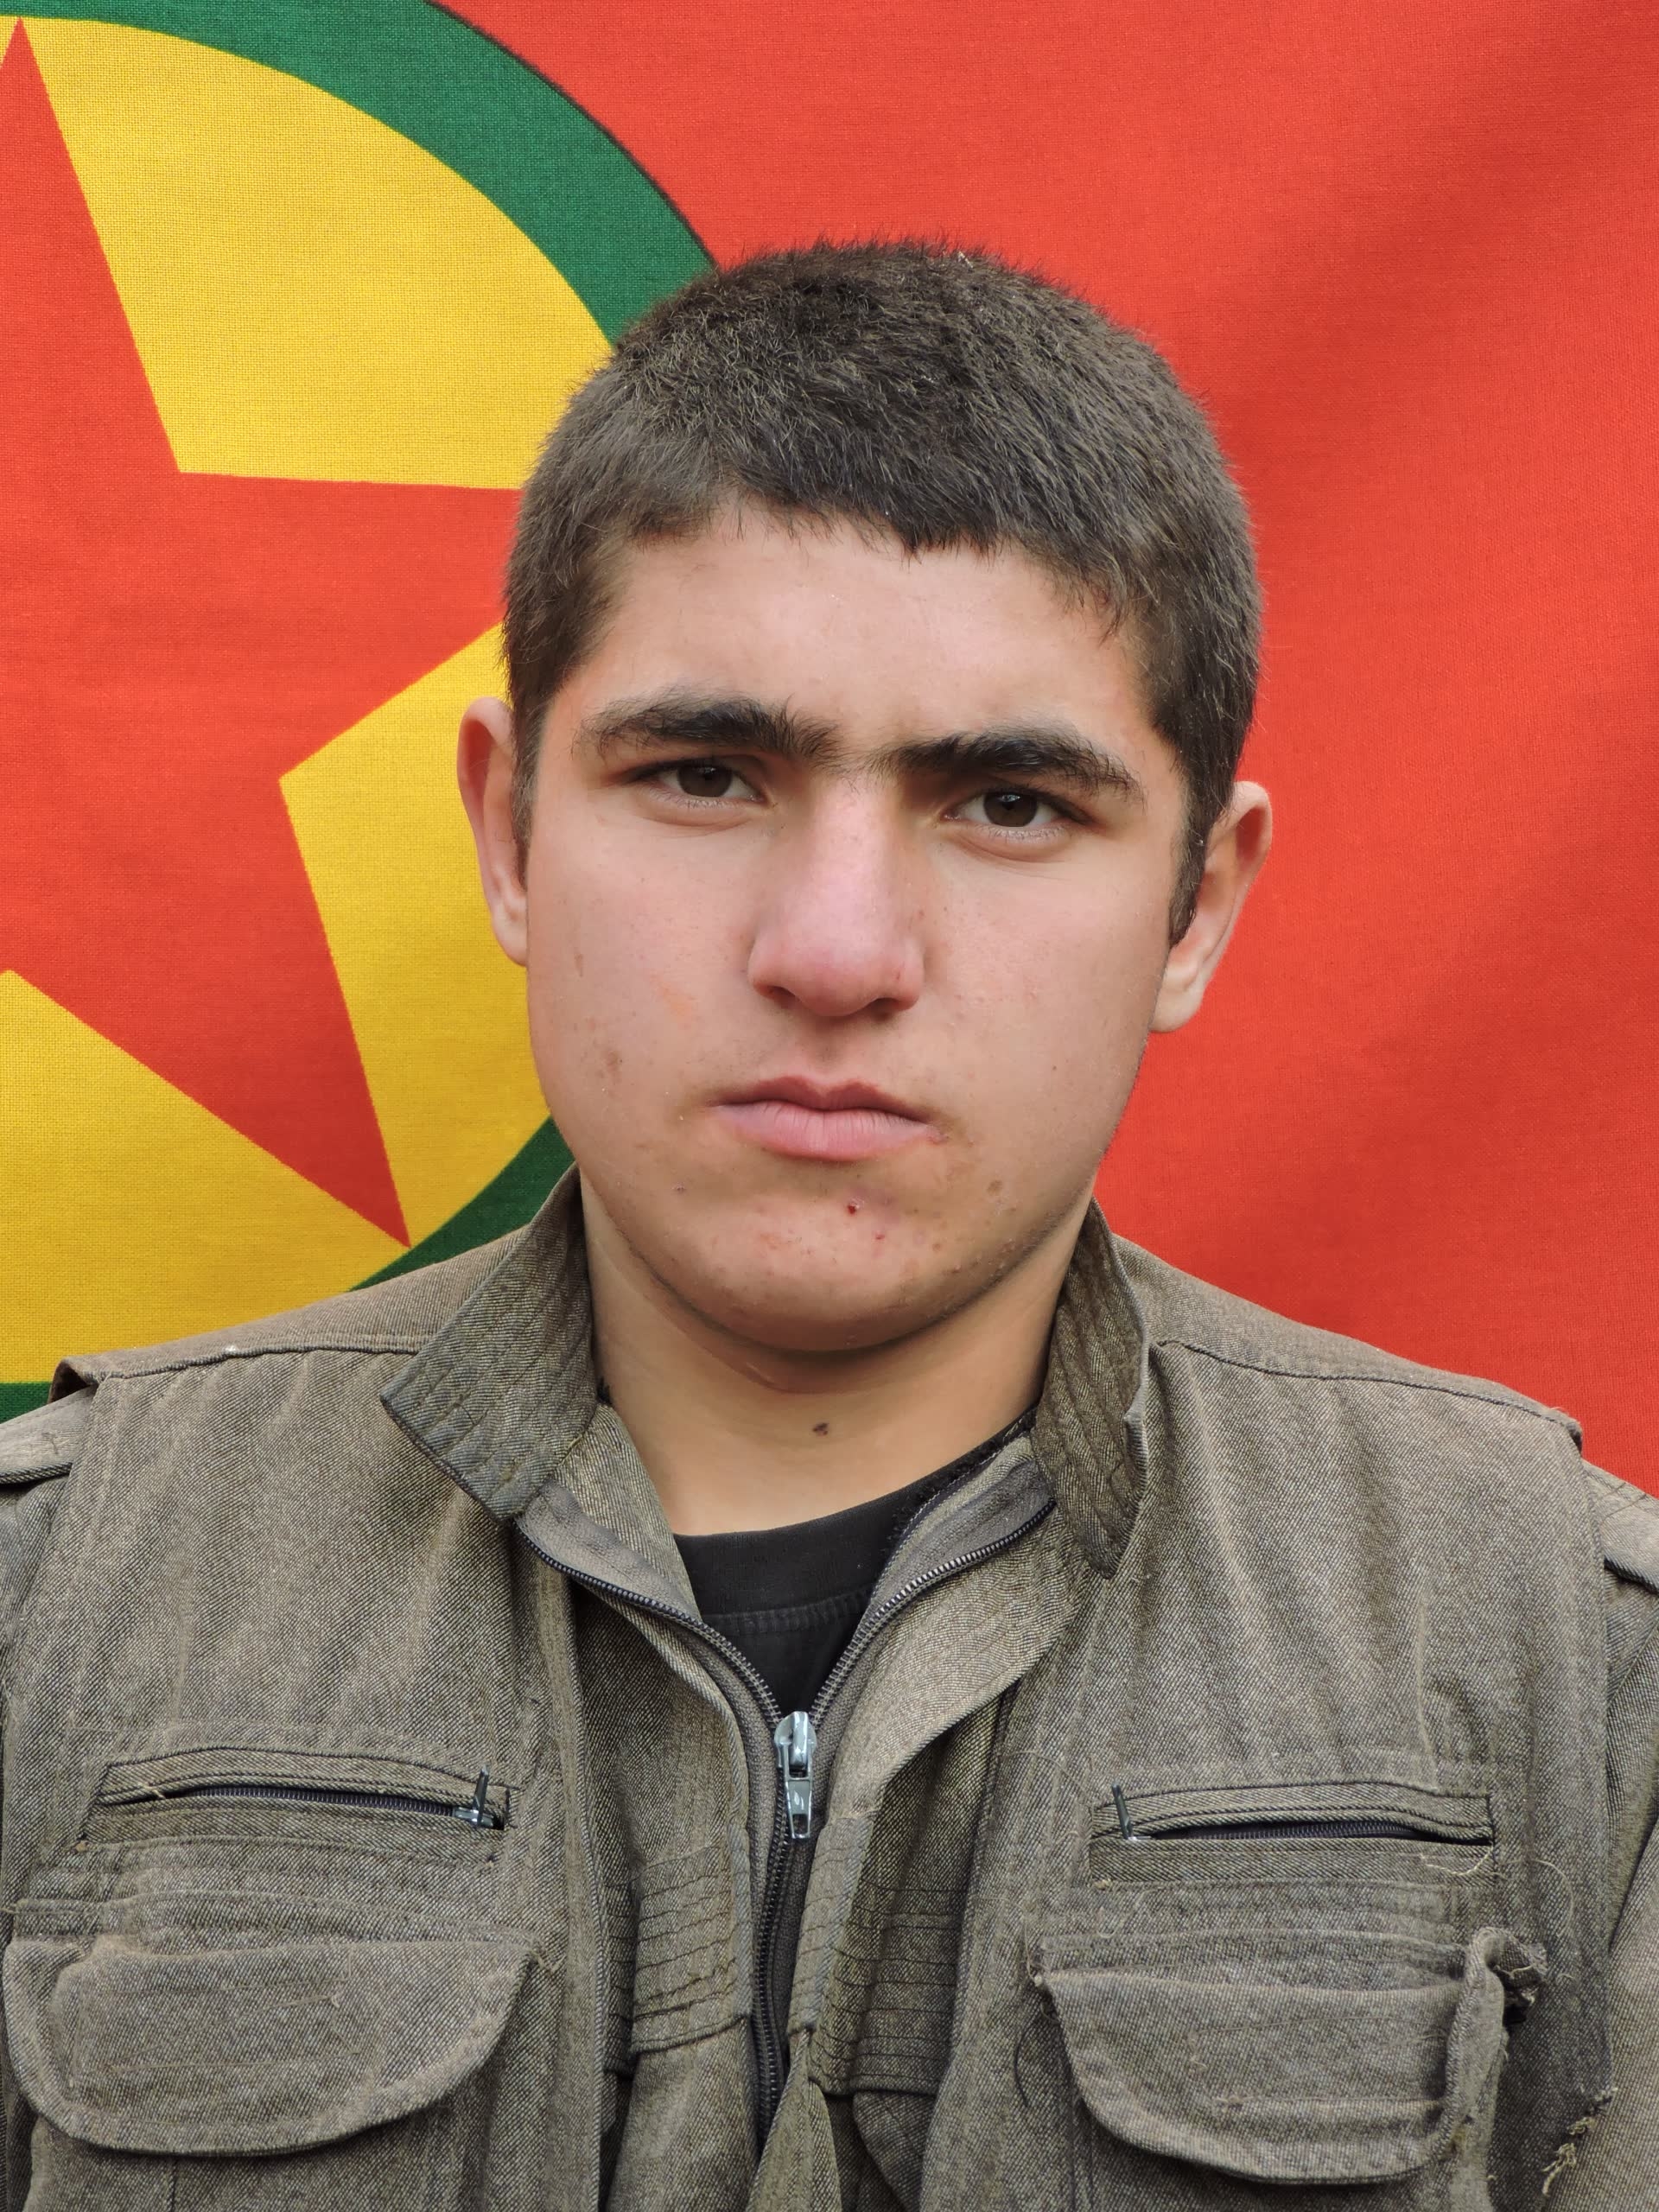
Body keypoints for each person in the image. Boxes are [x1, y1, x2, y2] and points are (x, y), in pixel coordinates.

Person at [0, 243, 1652, 2212]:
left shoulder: (1578, 1683)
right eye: (706, 775)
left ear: (1196, 905)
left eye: (1011, 803)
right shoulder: (48, 1607)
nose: (838, 949)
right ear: (512, 831)